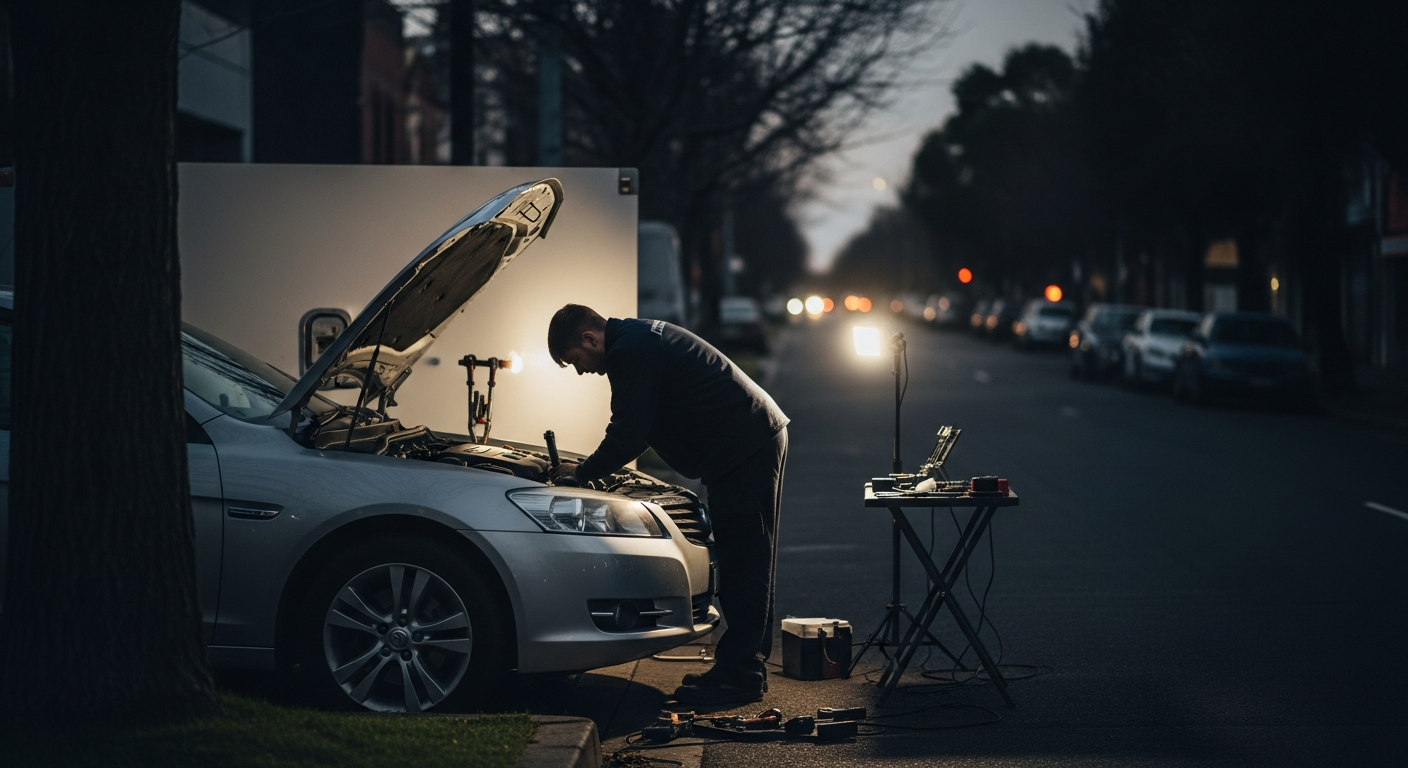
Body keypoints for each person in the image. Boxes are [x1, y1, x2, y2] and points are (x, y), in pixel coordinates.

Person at [546, 304, 789, 706]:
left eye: (576, 360)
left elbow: (628, 433)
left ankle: (741, 675)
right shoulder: (638, 336)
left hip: (745, 445)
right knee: (748, 557)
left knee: (743, 561)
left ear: (590, 338)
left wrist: (583, 473)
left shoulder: (628, 353)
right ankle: (738, 665)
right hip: (751, 436)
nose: (581, 371)